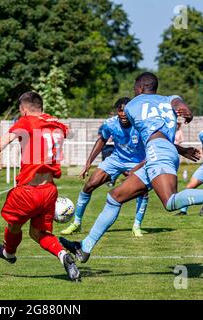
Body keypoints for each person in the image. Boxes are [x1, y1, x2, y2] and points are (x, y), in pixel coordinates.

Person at [60, 72, 203, 263]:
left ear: (141, 87)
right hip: (160, 152)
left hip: (157, 152)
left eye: (135, 87)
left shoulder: (133, 105)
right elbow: (180, 107)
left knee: (170, 202)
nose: (134, 90)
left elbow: (142, 131)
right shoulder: (170, 99)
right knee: (114, 197)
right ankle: (85, 247)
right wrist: (186, 119)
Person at [0, 91, 81, 281]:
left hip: (28, 190)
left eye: (20, 111)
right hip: (49, 190)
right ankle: (63, 255)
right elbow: (62, 131)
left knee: (14, 226)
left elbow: (2, 142)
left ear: (25, 109)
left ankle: (8, 254)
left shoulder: (27, 122)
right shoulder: (57, 124)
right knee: (38, 233)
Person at [60, 97, 149, 237]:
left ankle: (137, 226)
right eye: (121, 111)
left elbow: (151, 148)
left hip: (138, 161)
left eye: (126, 111)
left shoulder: (141, 125)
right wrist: (88, 162)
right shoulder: (110, 124)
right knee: (90, 185)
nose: (124, 114)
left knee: (142, 191)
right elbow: (102, 140)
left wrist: (137, 168)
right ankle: (76, 223)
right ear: (117, 112)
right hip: (116, 159)